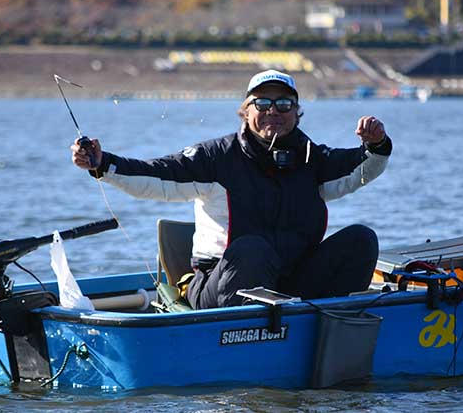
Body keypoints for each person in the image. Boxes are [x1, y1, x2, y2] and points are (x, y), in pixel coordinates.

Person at [71, 69, 391, 309]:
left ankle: (339, 324)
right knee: (253, 248)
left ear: (296, 112)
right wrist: (102, 163)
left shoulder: (313, 158)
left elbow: (361, 169)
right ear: (245, 110)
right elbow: (156, 177)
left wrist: (377, 143)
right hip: (218, 285)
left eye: (283, 104)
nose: (273, 111)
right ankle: (250, 348)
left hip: (291, 282)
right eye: (262, 102)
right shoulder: (216, 158)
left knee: (361, 240)